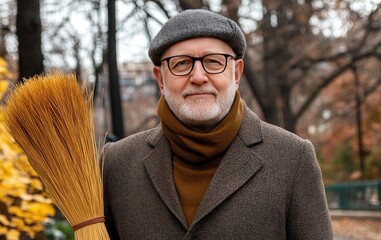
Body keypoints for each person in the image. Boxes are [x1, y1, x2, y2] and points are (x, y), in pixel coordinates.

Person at [102, 9, 333, 239]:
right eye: (181, 64)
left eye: (213, 62)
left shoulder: (293, 158)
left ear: (236, 74)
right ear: (161, 79)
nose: (199, 77)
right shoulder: (115, 165)